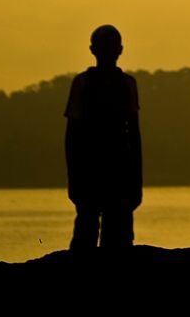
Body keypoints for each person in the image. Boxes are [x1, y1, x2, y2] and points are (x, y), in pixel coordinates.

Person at [64, 24, 142, 249]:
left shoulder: (127, 84)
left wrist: (137, 181)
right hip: (90, 171)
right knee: (86, 234)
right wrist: (73, 177)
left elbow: (134, 136)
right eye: (104, 46)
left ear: (120, 50)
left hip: (119, 172)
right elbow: (72, 135)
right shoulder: (83, 83)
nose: (108, 52)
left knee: (117, 238)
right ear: (93, 50)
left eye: (111, 47)